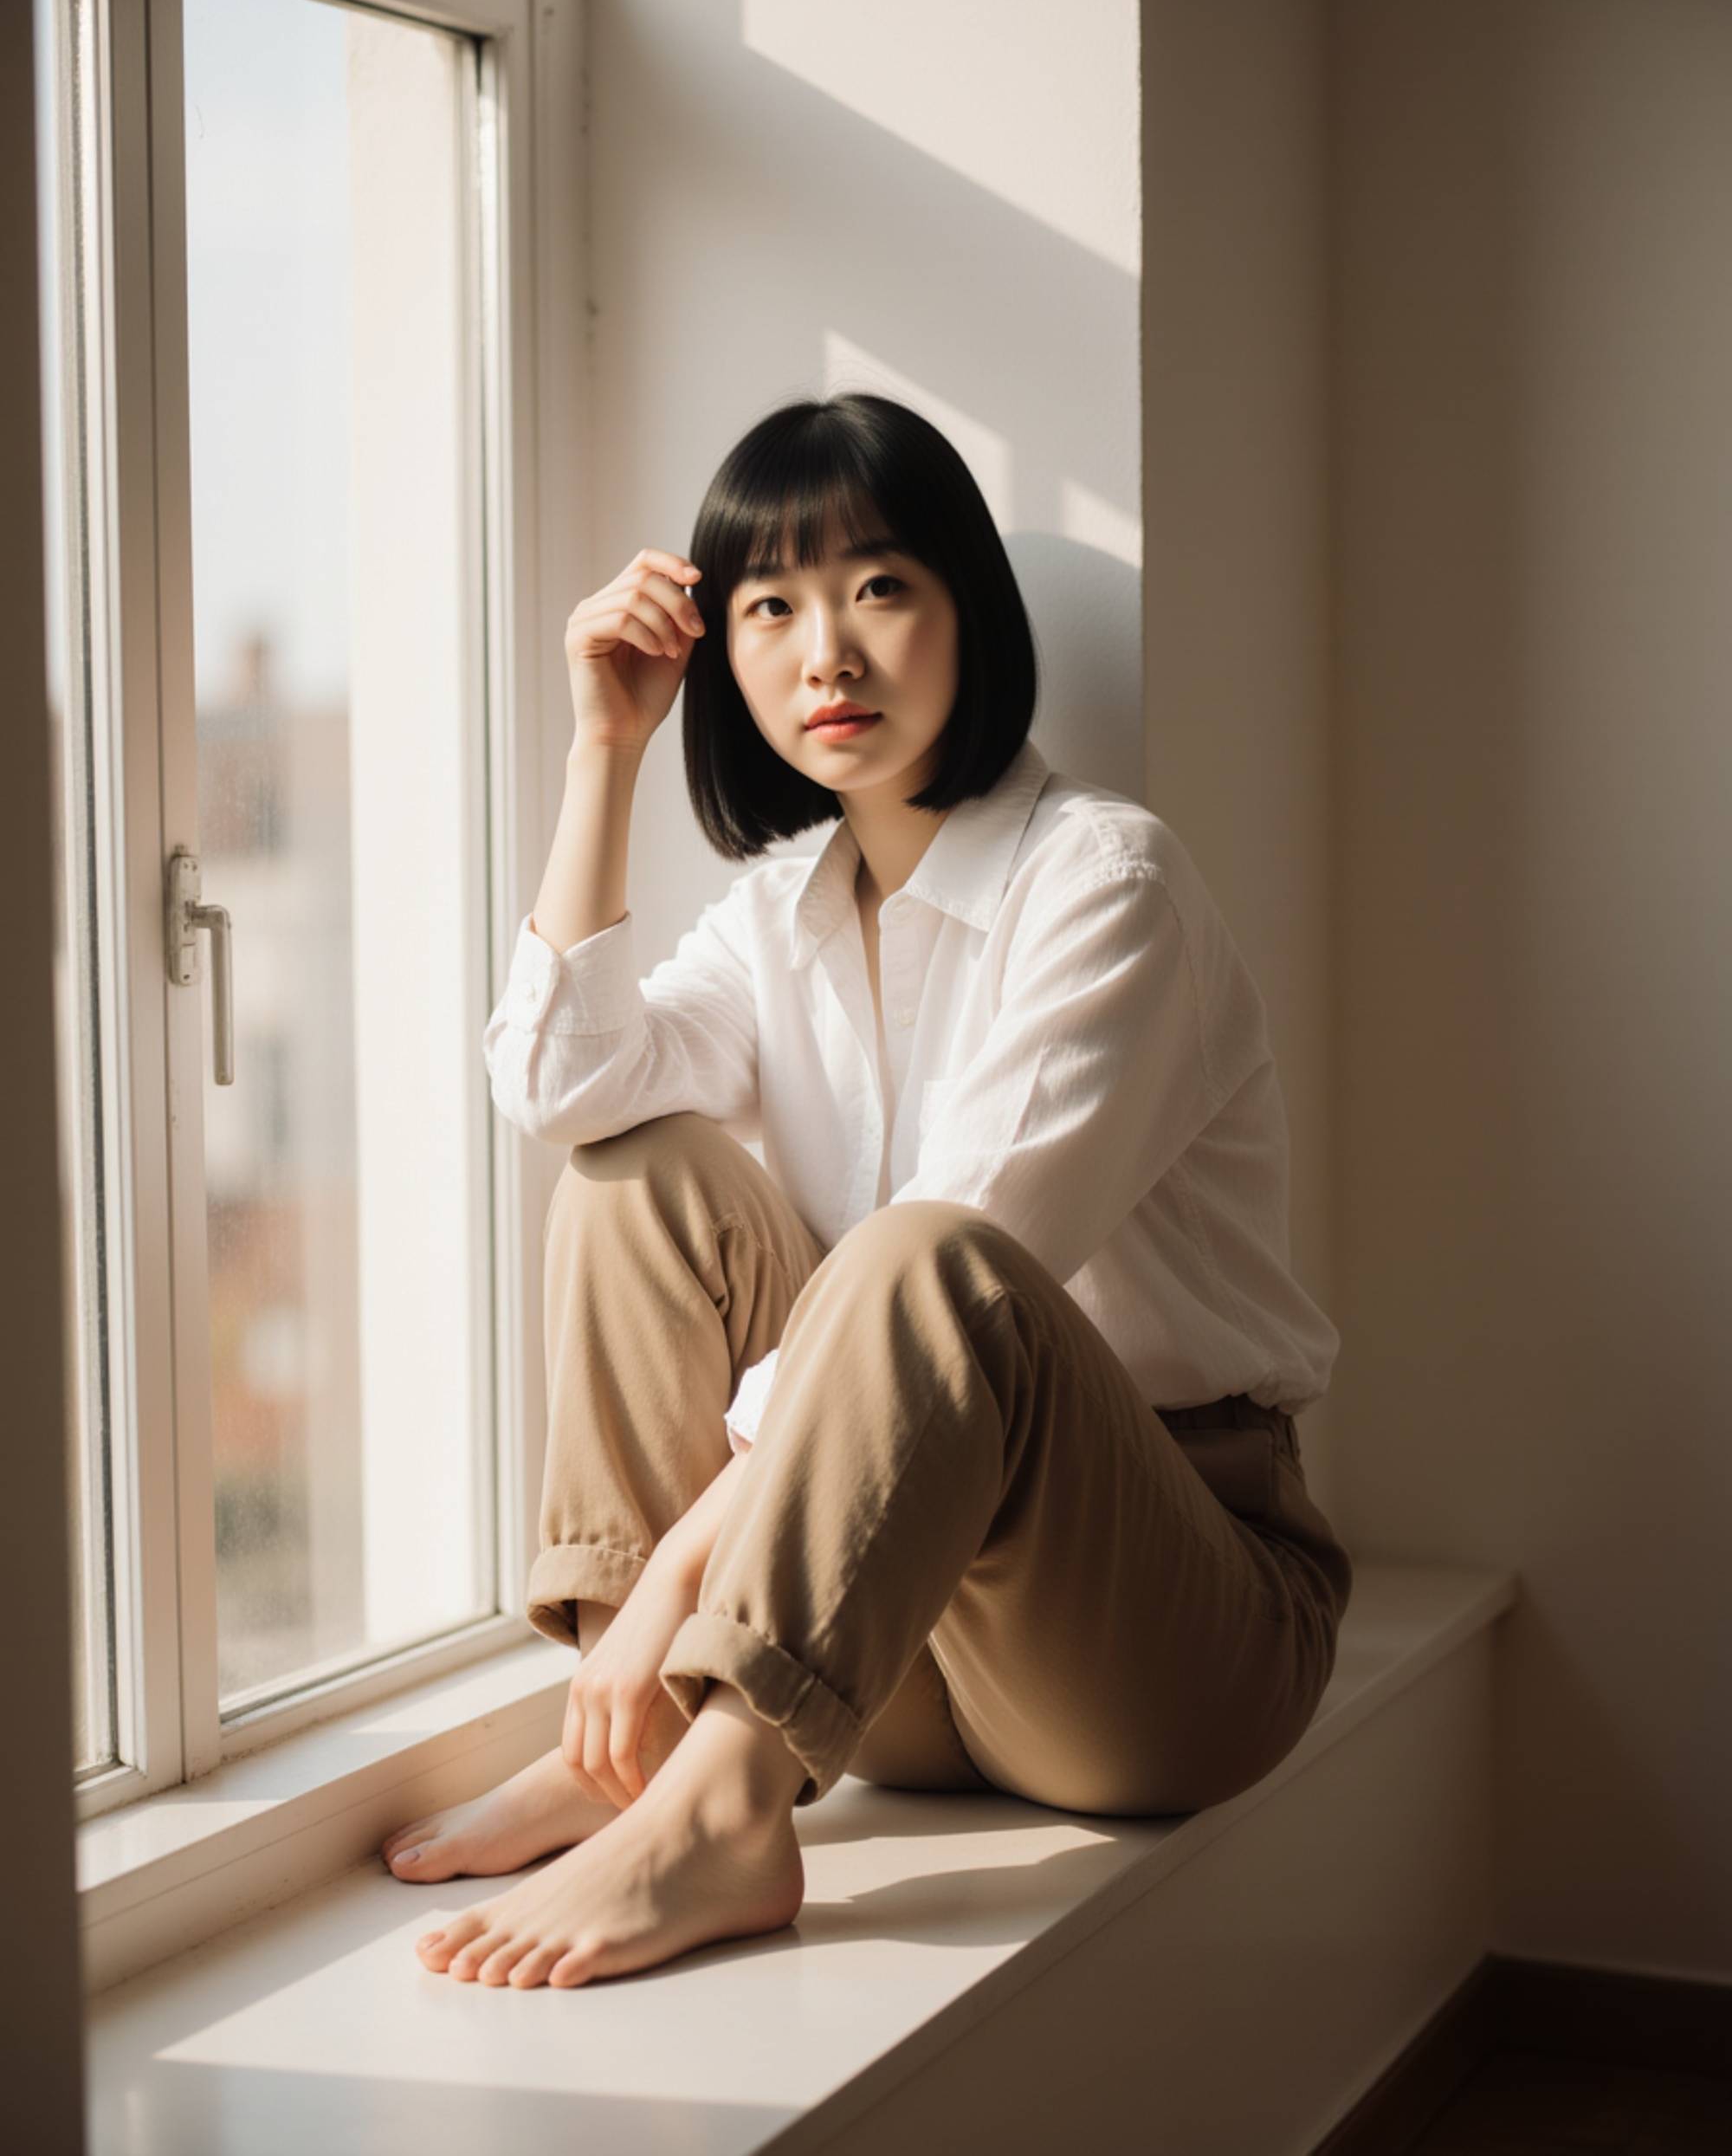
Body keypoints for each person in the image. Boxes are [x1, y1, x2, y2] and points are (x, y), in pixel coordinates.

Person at [380, 390, 1354, 1992]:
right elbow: (564, 1091)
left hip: (1162, 1626)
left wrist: (673, 1590)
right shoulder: (782, 912)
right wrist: (604, 747)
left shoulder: (1109, 886)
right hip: (879, 1613)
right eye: (771, 607)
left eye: (880, 589)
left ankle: (714, 1810)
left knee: (922, 1259)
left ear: (970, 610)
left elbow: (961, 1264)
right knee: (640, 1179)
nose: (826, 652)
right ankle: (623, 1754)